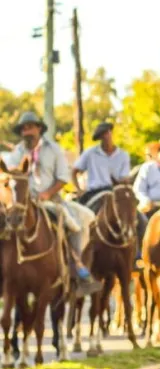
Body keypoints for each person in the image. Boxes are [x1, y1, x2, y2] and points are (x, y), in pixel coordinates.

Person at [3, 111, 101, 293]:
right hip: (22, 202)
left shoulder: (54, 149)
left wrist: (47, 194)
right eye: (24, 129)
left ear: (39, 129)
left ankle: (76, 266)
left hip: (50, 200)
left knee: (75, 225)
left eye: (30, 127)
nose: (27, 132)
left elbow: (64, 177)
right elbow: (10, 173)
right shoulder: (18, 151)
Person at [72, 121, 131, 207]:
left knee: (137, 216)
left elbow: (125, 178)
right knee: (80, 215)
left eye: (107, 133)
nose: (106, 136)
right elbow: (74, 172)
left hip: (117, 192)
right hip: (94, 193)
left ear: (111, 133)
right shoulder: (90, 153)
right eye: (102, 134)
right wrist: (79, 190)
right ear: (99, 138)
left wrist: (123, 181)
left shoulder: (123, 155)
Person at [134, 138, 160, 215]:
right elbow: (138, 189)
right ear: (158, 153)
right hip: (153, 205)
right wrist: (145, 200)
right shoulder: (148, 167)